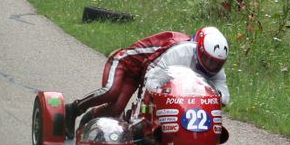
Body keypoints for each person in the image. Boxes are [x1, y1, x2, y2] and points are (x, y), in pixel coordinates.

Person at [65, 26, 230, 137]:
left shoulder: (217, 70)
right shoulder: (180, 53)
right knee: (111, 92)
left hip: (146, 70)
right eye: (208, 60)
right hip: (128, 63)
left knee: (116, 109)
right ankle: (73, 110)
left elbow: (224, 96)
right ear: (198, 50)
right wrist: (141, 115)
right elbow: (152, 76)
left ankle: (90, 118)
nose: (212, 66)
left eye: (217, 63)